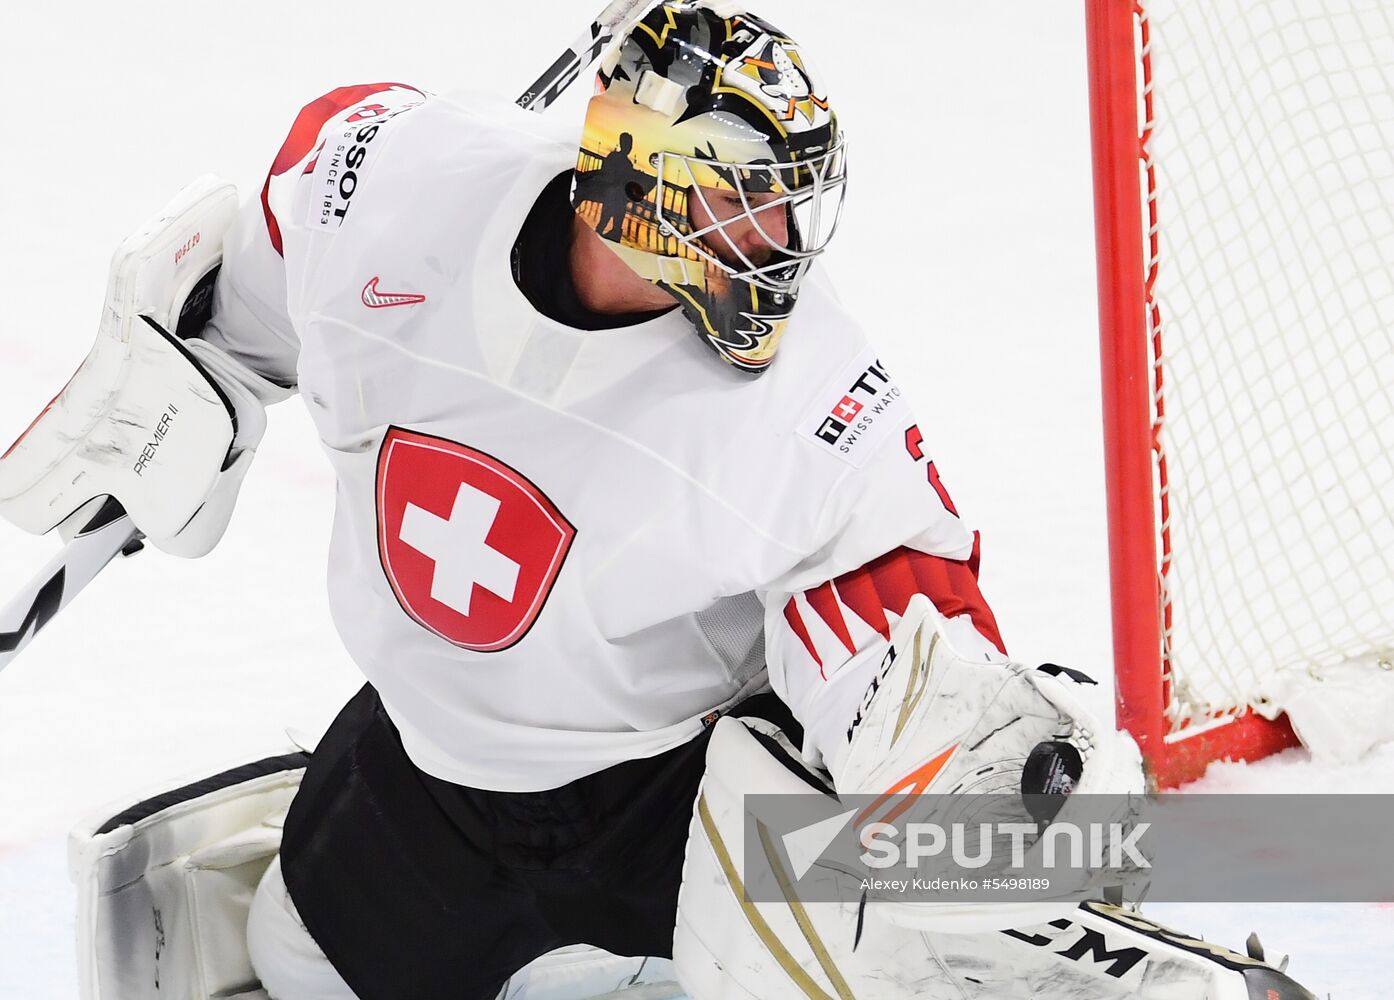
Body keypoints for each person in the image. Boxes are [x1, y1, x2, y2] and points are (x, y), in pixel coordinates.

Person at [1, 3, 1319, 998]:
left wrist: (968, 759)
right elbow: (260, 253)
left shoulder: (803, 398)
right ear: (638, 191)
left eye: (791, 211)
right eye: (747, 212)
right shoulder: (397, 194)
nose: (782, 251)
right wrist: (179, 374)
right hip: (427, 764)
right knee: (288, 964)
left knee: (886, 903)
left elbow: (893, 627)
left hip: (664, 803)